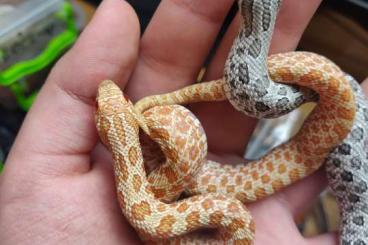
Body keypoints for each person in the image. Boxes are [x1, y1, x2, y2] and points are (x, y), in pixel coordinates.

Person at [0, 0, 367, 244]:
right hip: (193, 183)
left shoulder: (143, 167)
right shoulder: (145, 158)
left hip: (182, 164)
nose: (120, 96)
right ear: (124, 124)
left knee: (331, 96)